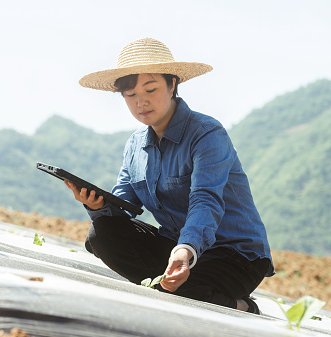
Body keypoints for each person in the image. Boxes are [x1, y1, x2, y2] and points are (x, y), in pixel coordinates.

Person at [65, 37, 274, 314]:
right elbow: (123, 207)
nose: (141, 102)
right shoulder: (135, 145)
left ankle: (241, 306)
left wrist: (185, 249)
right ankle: (178, 287)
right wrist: (98, 206)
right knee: (101, 234)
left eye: (150, 89)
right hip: (177, 249)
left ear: (172, 84)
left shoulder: (207, 134)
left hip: (234, 255)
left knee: (172, 290)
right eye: (131, 95)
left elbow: (205, 199)